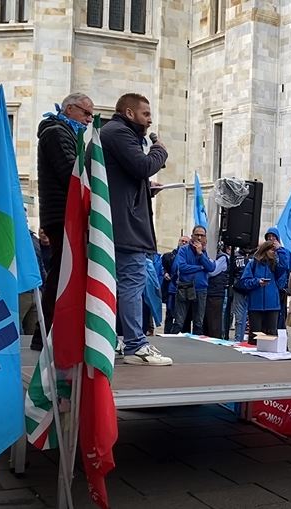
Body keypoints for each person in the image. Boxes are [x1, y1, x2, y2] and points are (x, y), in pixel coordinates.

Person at [103, 93, 171, 366]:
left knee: (125, 284)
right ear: (129, 113)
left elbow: (126, 179)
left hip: (120, 223)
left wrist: (145, 191)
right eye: (146, 114)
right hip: (126, 229)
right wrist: (160, 150)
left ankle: (121, 339)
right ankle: (136, 345)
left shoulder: (114, 132)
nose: (150, 120)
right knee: (132, 282)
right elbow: (143, 166)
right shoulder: (119, 132)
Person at [33, 92, 94, 350]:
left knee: (62, 272)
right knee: (60, 274)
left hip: (62, 214)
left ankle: (48, 332)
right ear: (69, 110)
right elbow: (71, 171)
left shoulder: (64, 132)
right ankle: (45, 333)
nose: (90, 119)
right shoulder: (57, 133)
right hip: (61, 215)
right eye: (86, 113)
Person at [237, 241, 288, 340]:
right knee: (256, 337)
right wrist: (257, 282)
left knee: (270, 337)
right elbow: (244, 282)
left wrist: (280, 250)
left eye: (275, 250)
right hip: (255, 306)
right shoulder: (253, 264)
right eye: (272, 250)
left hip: (272, 306)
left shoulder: (276, 265)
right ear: (265, 250)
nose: (274, 252)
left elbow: (285, 266)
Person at [171, 226, 215, 335]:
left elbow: (211, 268)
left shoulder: (205, 251)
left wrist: (200, 254)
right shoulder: (183, 249)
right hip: (185, 287)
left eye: (202, 235)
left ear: (205, 238)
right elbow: (181, 267)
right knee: (179, 322)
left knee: (198, 323)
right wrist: (200, 267)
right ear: (192, 236)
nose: (199, 238)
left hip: (201, 289)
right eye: (197, 235)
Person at [264, 228, 291, 331]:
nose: (271, 239)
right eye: (269, 237)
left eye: (274, 237)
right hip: (268, 288)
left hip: (281, 290)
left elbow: (287, 268)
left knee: (280, 318)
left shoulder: (285, 252)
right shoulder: (265, 253)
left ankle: (281, 343)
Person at [162, 236, 190, 333]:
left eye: (186, 241)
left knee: (183, 314)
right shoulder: (169, 256)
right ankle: (167, 332)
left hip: (184, 289)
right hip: (172, 289)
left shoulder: (189, 256)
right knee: (169, 312)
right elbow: (164, 268)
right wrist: (165, 273)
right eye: (182, 241)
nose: (183, 243)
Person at [205, 243, 231, 338]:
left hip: (216, 293)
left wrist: (205, 264)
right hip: (207, 292)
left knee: (214, 324)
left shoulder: (222, 258)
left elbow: (212, 271)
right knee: (206, 323)